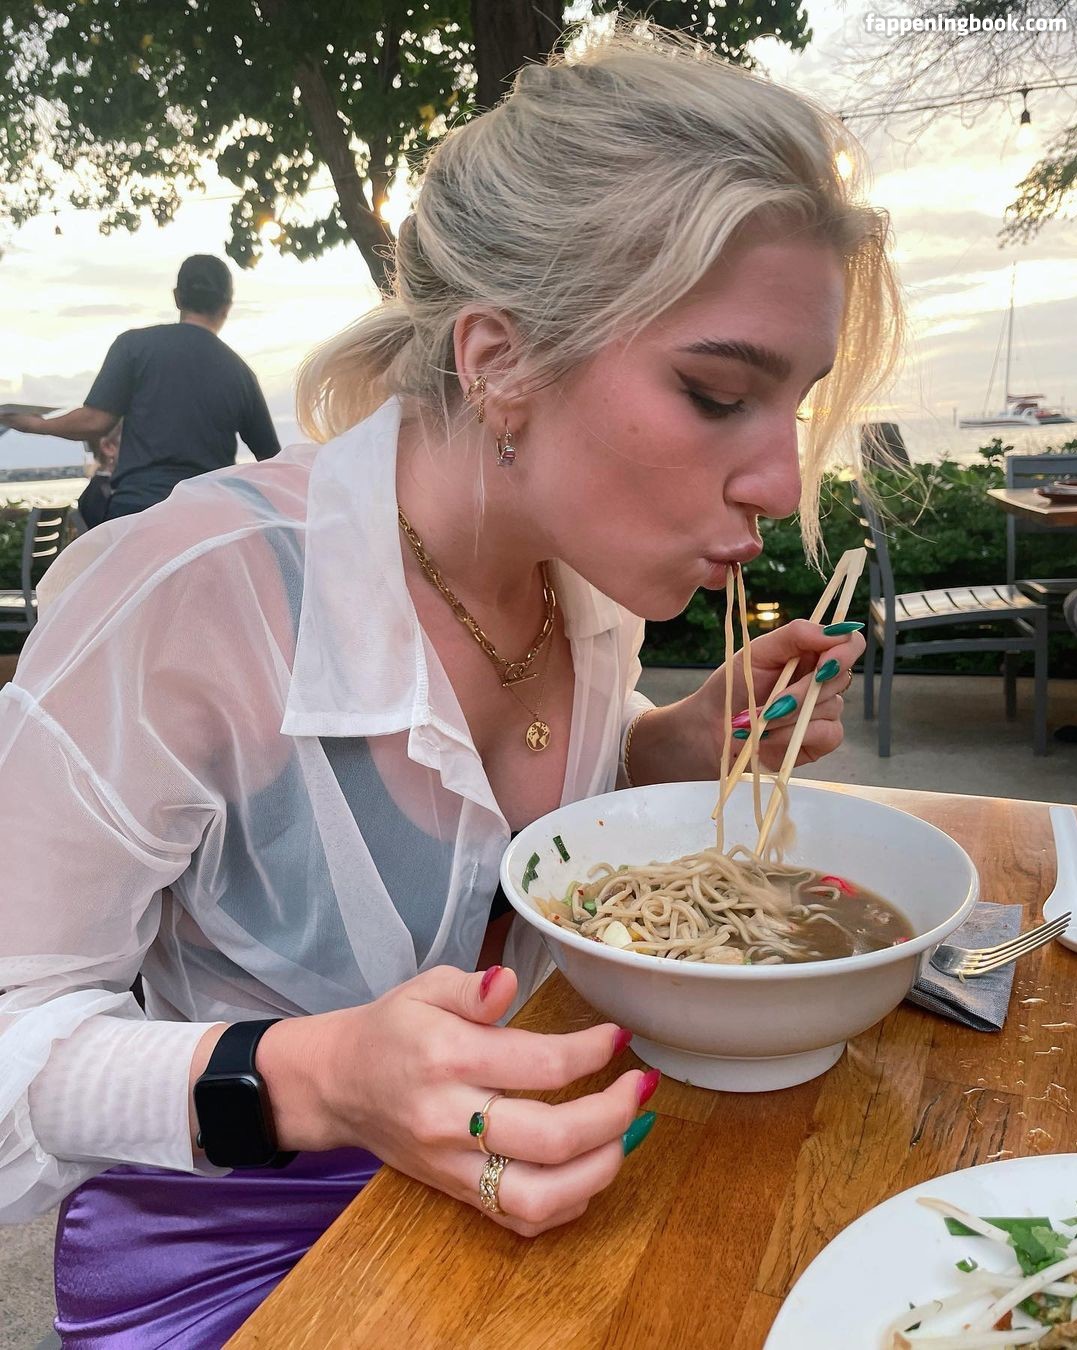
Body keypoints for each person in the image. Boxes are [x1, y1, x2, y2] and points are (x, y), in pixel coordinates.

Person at [0, 24, 900, 1347]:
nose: (781, 480)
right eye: (719, 393)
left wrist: (662, 748)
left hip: (540, 1190)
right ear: (498, 363)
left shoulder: (579, 574)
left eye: (798, 405)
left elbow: (490, 838)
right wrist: (315, 1077)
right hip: (237, 1257)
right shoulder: (191, 590)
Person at [0, 255, 280, 520]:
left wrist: (36, 425)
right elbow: (272, 461)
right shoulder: (240, 372)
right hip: (208, 518)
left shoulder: (133, 347)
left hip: (138, 511)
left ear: (177, 297)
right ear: (227, 306)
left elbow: (95, 421)